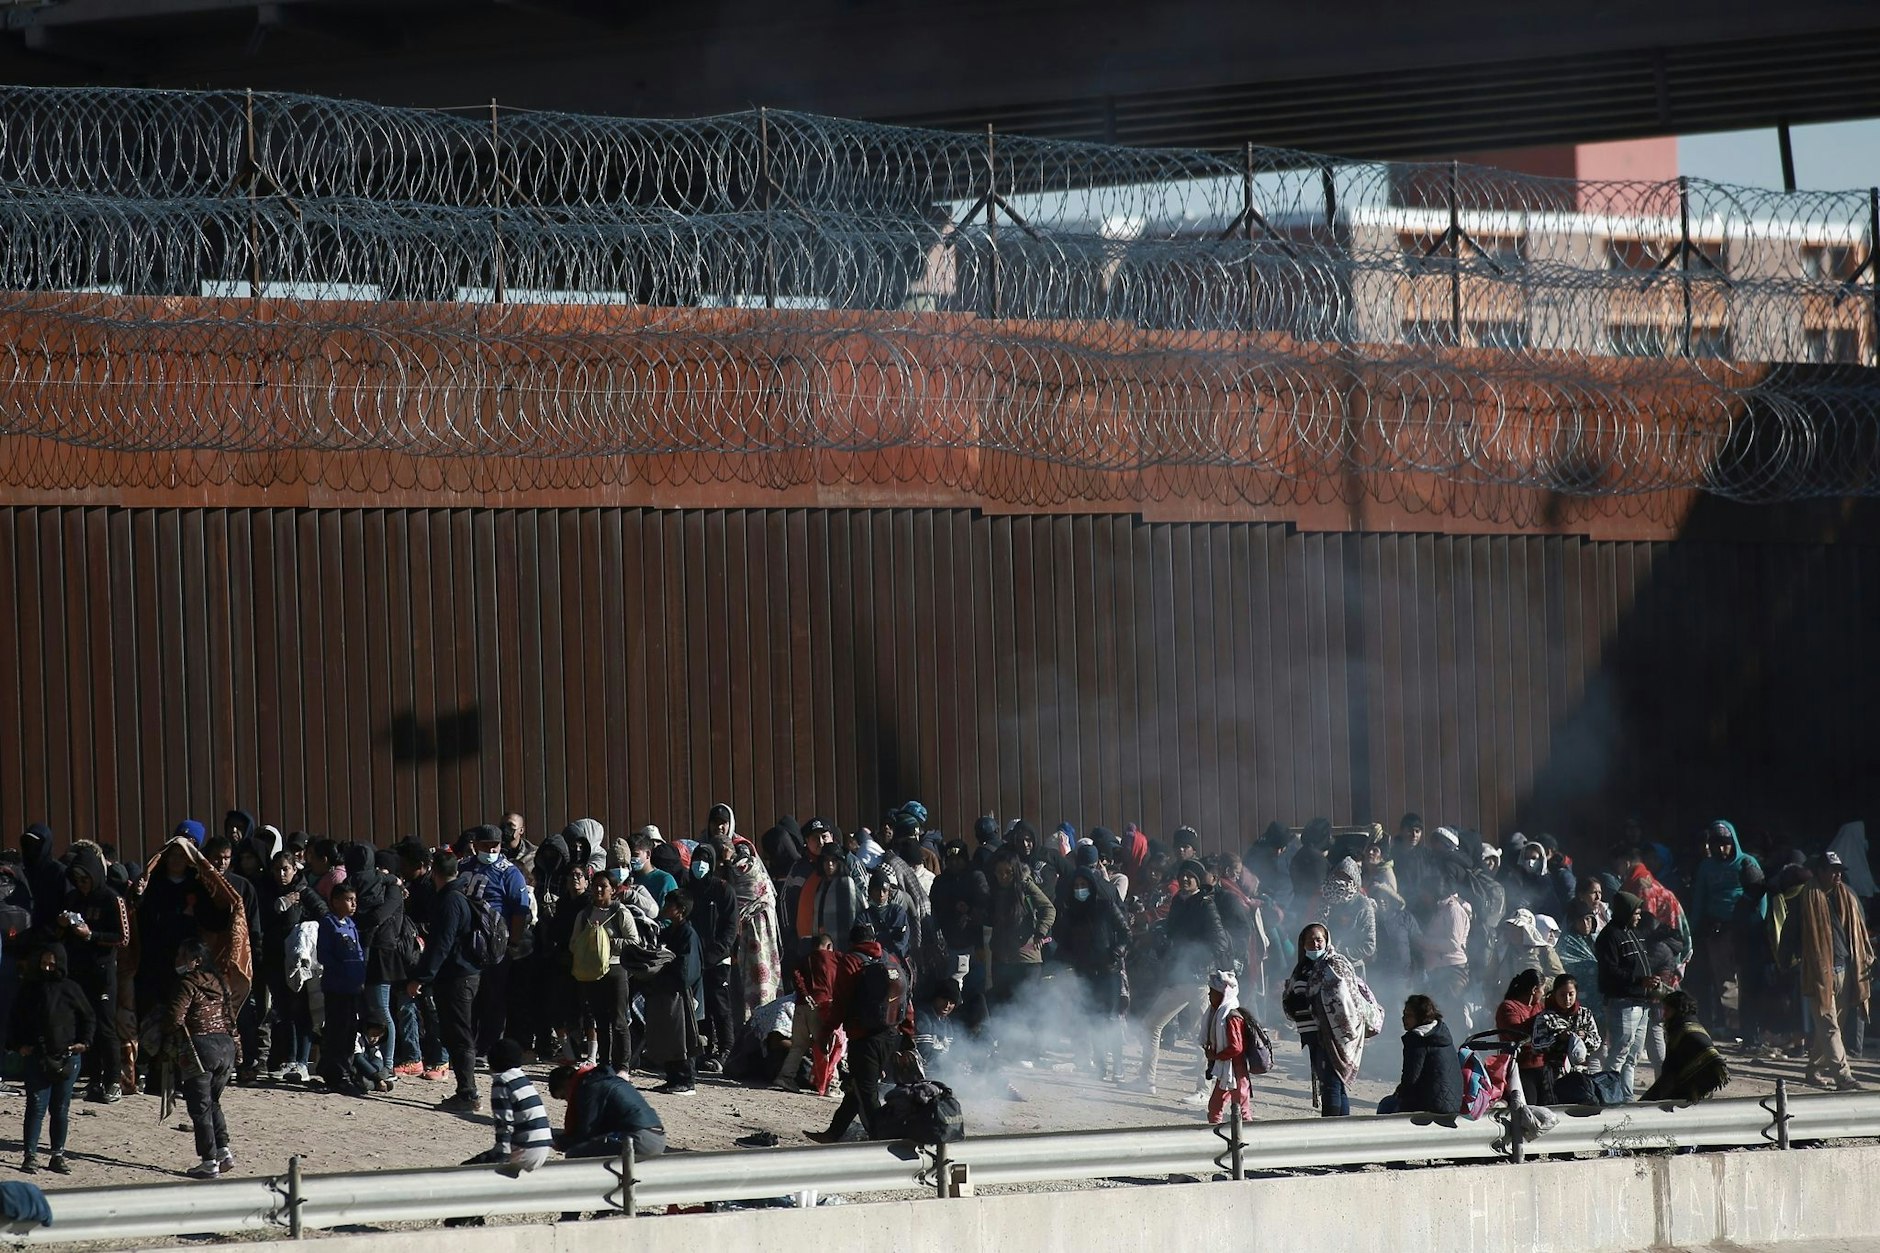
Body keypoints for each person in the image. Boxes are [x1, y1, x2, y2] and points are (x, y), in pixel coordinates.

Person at [807, 922, 916, 1143]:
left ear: (851, 942)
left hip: (864, 1038)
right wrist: (907, 1032)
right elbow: (905, 998)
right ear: (873, 939)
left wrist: (826, 1032)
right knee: (858, 1086)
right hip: (891, 1035)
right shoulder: (890, 958)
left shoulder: (851, 961)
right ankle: (834, 1133)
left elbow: (841, 1002)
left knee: (867, 1094)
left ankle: (882, 1139)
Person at [1130, 858, 1230, 1094]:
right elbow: (1172, 933)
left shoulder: (1205, 904)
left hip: (1200, 981)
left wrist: (1198, 960)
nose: (1185, 879)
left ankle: (1203, 1090)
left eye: (1190, 876)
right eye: (1182, 875)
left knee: (1202, 1036)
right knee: (1151, 1024)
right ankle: (1146, 1080)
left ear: (1198, 880)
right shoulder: (1177, 902)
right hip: (1177, 978)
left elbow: (1220, 942)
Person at [1790, 851, 1873, 1091]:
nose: (1837, 875)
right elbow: (1791, 930)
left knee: (1831, 1026)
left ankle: (1813, 1069)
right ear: (1820, 872)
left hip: (1845, 969)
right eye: (1833, 871)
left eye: (1840, 871)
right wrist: (1786, 960)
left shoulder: (1848, 895)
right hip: (1819, 971)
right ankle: (1843, 1076)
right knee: (1829, 1026)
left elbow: (1859, 930)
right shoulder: (1806, 898)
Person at [1281, 921, 1382, 1117]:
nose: (1315, 944)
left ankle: (1330, 1127)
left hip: (1334, 1035)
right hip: (1312, 1035)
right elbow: (1291, 994)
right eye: (1310, 941)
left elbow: (1344, 997)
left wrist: (1312, 998)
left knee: (1331, 1085)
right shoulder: (1301, 968)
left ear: (1326, 940)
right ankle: (1342, 1127)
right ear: (1303, 944)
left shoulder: (1336, 964)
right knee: (1333, 1083)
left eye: (1319, 940)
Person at [409, 851, 483, 1113]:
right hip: (463, 974)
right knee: (457, 1032)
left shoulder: (450, 900)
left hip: (457, 977)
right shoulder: (458, 895)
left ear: (434, 872)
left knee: (459, 1034)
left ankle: (467, 1093)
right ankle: (465, 1090)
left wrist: (421, 977)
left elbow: (442, 944)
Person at [10, 941, 93, 1173]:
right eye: (44, 963)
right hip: (37, 1057)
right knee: (36, 1107)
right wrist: (18, 1046)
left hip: (67, 1058)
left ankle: (57, 1155)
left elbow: (88, 1017)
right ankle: (30, 1155)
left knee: (60, 1109)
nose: (47, 968)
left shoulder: (71, 989)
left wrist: (84, 1043)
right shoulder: (30, 989)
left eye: (51, 964)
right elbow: (15, 1020)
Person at [59, 842, 127, 1104]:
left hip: (103, 971)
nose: (81, 884)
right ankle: (93, 1079)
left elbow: (122, 937)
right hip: (79, 971)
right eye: (77, 880)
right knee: (85, 1025)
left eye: (85, 879)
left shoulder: (111, 899)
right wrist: (63, 924)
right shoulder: (74, 899)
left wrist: (91, 935)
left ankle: (113, 1080)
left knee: (106, 1026)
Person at [166, 938, 239, 1180]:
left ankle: (209, 1162)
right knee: (213, 1102)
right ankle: (224, 1152)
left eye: (182, 956)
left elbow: (175, 1017)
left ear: (196, 961)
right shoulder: (220, 983)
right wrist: (238, 1051)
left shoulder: (188, 983)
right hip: (226, 1048)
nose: (178, 960)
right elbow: (230, 1019)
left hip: (201, 1049)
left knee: (200, 1108)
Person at [1054, 863, 1131, 1080]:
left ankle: (1118, 1065)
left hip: (1109, 971)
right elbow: (1065, 944)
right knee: (1093, 1020)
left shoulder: (1105, 907)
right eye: (1076, 885)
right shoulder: (1071, 914)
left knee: (1111, 1019)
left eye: (1084, 885)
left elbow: (1126, 933)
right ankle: (1101, 1065)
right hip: (1085, 973)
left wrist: (1117, 952)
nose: (1080, 889)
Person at [570, 872, 644, 1076]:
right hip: (592, 972)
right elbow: (574, 943)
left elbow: (633, 941)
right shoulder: (584, 914)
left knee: (619, 1021)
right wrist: (588, 943)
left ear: (613, 889)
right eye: (595, 885)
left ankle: (623, 1067)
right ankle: (604, 1064)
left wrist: (607, 942)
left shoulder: (620, 912)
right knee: (600, 1021)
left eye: (603, 886)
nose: (599, 889)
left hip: (615, 969)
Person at [986, 847, 1055, 1064]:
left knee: (1026, 1004)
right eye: (999, 873)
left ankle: (1029, 1050)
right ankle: (1009, 1048)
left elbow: (1049, 909)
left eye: (1007, 872)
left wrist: (1040, 932)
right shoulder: (994, 891)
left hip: (1027, 959)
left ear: (1014, 871)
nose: (1003, 877)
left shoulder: (1025, 886)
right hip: (1001, 958)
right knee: (1004, 1004)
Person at [1689, 820, 1754, 1035]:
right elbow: (1700, 898)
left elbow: (1759, 894)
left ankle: (1750, 1026)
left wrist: (1758, 923)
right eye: (1716, 844)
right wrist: (1694, 928)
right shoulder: (1706, 867)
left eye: (1726, 843)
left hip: (1744, 929)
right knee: (1724, 980)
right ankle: (1734, 1026)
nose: (1721, 848)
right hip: (1717, 930)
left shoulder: (1746, 862)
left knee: (1746, 977)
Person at [1595, 891, 1658, 1102]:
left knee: (1632, 1056)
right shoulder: (1609, 936)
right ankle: (1608, 1096)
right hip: (1623, 1003)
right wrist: (1639, 981)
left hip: (1641, 1003)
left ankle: (1626, 1098)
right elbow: (1610, 972)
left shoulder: (1634, 934)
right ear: (1625, 912)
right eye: (1636, 913)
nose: (1639, 917)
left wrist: (1649, 982)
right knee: (1618, 1053)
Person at [683, 843, 740, 1073]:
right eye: (696, 859)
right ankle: (704, 1049)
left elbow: (730, 927)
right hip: (694, 960)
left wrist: (717, 952)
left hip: (718, 959)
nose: (700, 865)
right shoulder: (689, 890)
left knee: (720, 1006)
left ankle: (726, 1049)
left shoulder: (723, 890)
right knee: (700, 1007)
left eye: (705, 860)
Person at [643, 890, 703, 1096]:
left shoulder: (688, 934)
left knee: (683, 1036)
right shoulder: (669, 932)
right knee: (668, 1036)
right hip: (665, 992)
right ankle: (672, 1078)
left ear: (681, 910)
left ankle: (686, 1080)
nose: (666, 908)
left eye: (670, 905)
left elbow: (687, 969)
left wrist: (669, 975)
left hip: (681, 993)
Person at [316, 881, 369, 1096]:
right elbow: (324, 955)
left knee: (350, 1033)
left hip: (353, 988)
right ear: (336, 901)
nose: (353, 904)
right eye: (348, 900)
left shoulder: (351, 925)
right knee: (337, 1032)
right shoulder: (329, 924)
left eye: (355, 900)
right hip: (337, 988)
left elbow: (359, 954)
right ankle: (338, 1075)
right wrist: (342, 972)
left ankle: (346, 1071)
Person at [548, 1063, 667, 1159]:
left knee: (575, 1153)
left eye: (564, 1096)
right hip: (658, 1138)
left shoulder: (589, 1087)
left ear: (566, 1084)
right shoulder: (603, 1079)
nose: (568, 1101)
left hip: (638, 1141)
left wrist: (558, 1142)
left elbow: (586, 1132)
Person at [727, 837, 783, 1023]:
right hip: (758, 934)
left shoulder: (743, 873)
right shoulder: (755, 873)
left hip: (756, 933)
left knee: (757, 980)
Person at [776, 932, 840, 1091]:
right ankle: (831, 1084)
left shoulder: (803, 960)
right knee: (825, 1045)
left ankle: (785, 1077)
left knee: (798, 1046)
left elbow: (796, 977)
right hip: (821, 1006)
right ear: (829, 946)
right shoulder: (834, 959)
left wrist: (805, 995)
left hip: (800, 1006)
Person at [1641, 991, 1730, 1103]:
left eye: (1667, 1010)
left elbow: (1671, 1072)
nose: (1664, 1015)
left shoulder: (1683, 1032)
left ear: (1678, 1010)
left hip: (1697, 1083)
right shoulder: (1691, 1024)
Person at [1378, 994, 1459, 1116]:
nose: (1404, 1018)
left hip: (1431, 1105)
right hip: (1453, 1104)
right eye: (1404, 1014)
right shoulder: (1441, 1033)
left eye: (1409, 1015)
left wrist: (1399, 1094)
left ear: (1421, 1016)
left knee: (1387, 1104)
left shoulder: (1417, 1039)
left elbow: (1410, 1078)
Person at [1530, 974, 1603, 1103]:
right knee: (1558, 1107)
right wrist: (1558, 1039)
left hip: (1582, 1073)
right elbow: (1536, 1045)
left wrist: (1584, 1037)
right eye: (1562, 995)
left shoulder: (1585, 1014)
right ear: (1555, 994)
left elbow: (1596, 1042)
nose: (1567, 999)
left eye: (1571, 994)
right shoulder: (1546, 1017)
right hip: (1555, 1075)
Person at [1200, 969, 1254, 1125]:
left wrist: (1216, 1056)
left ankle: (1248, 1136)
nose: (1209, 995)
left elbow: (1236, 1047)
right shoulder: (1219, 1014)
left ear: (1223, 994)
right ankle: (1215, 1134)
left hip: (1235, 1070)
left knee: (1242, 1110)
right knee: (1215, 1107)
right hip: (1225, 1070)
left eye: (1212, 992)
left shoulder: (1231, 1016)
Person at [1311, 857, 1377, 976]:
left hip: (1352, 969)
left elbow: (1369, 946)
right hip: (1323, 966)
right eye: (1338, 876)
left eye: (1346, 878)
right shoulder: (1325, 899)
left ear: (1354, 880)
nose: (1340, 882)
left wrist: (1339, 954)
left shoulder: (1363, 905)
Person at [1490, 969, 1547, 1105]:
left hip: (1543, 1067)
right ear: (1534, 990)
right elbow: (1516, 1034)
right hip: (1520, 1069)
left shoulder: (1540, 1007)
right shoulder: (1508, 1007)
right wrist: (1540, 1021)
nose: (1543, 993)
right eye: (1542, 989)